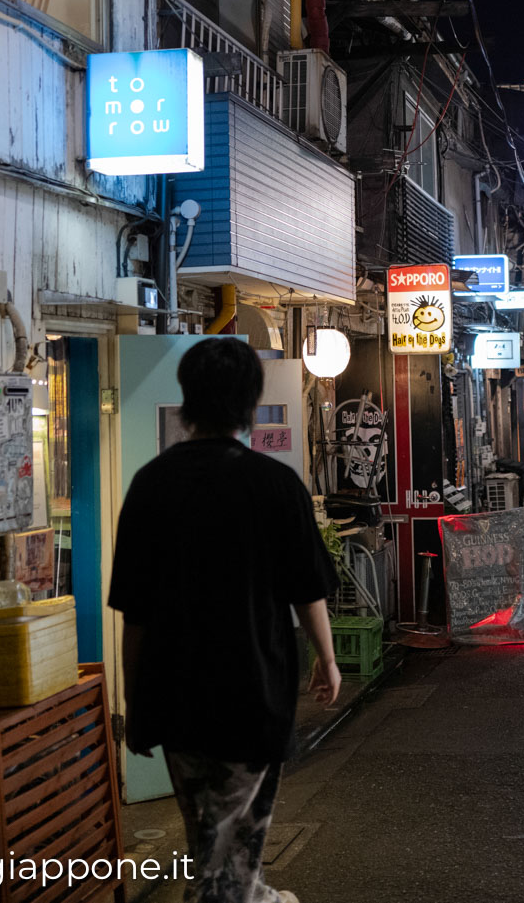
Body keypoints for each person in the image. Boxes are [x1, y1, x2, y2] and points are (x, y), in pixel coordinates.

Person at [109, 338, 339, 903]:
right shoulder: (274, 484)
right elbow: (308, 591)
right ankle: (246, 892)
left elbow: (134, 613)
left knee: (210, 839)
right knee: (225, 856)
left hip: (176, 694)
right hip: (251, 692)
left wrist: (137, 700)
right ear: (250, 402)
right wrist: (327, 661)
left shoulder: (150, 484)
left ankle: (252, 891)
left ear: (187, 399)